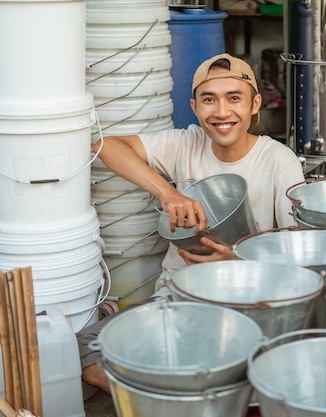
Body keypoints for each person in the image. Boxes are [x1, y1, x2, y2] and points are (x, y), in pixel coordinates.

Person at [78, 53, 305, 394]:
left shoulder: (278, 161)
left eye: (234, 98)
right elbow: (105, 145)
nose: (222, 112)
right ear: (194, 106)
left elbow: (299, 258)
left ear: (255, 103)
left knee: (253, 372)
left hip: (245, 300)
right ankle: (170, 403)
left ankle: (179, 396)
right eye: (209, 100)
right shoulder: (185, 142)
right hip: (178, 295)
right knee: (85, 353)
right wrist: (167, 193)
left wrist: (239, 262)